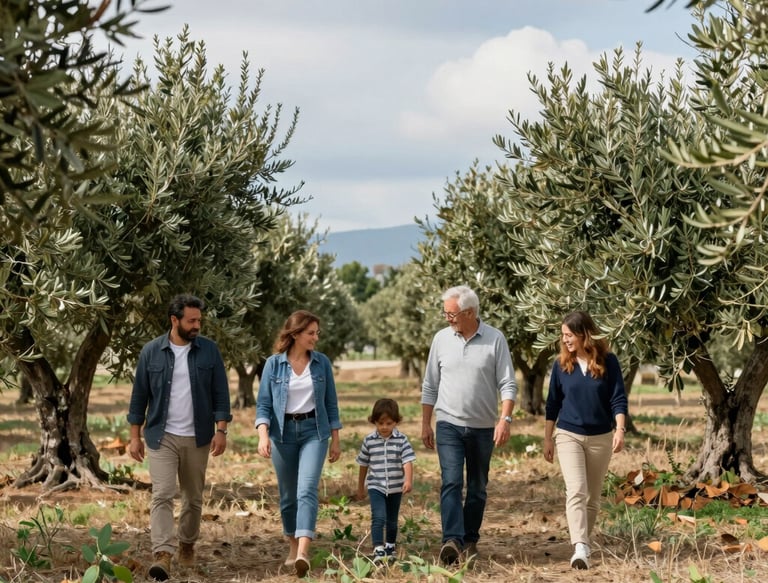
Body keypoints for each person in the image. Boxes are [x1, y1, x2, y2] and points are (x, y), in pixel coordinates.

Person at [127, 294, 232, 581]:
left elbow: (221, 394)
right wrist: (134, 436)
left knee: (193, 498)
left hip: (198, 436)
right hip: (162, 435)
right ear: (175, 320)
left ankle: (187, 542)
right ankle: (163, 553)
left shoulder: (209, 351)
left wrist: (221, 430)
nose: (197, 324)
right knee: (161, 494)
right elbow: (139, 397)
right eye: (192, 320)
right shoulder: (151, 352)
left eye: (199, 319)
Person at [421, 285, 517, 565]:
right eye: (446, 313)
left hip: (483, 427)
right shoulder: (441, 339)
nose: (447, 318)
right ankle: (452, 540)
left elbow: (508, 383)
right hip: (448, 424)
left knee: (477, 487)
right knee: (451, 481)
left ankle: (470, 539)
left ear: (470, 312)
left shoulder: (495, 339)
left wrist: (505, 419)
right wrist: (426, 423)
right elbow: (430, 384)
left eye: (451, 314)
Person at [255, 310, 342, 579]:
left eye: (317, 333)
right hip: (282, 433)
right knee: (288, 495)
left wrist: (335, 439)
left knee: (307, 490)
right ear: (295, 335)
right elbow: (264, 403)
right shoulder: (273, 364)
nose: (316, 337)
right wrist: (262, 433)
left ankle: (304, 550)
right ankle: (292, 545)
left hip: (314, 431)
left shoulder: (322, 363)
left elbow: (331, 402)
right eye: (311, 333)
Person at [543, 311, 628, 570]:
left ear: (583, 334)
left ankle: (585, 543)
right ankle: (579, 546)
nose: (565, 340)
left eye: (569, 335)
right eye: (563, 335)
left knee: (592, 497)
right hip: (568, 434)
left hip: (601, 436)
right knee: (577, 490)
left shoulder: (608, 362)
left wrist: (620, 429)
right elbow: (553, 403)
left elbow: (618, 398)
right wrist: (548, 438)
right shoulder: (560, 365)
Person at [356, 398, 416, 564]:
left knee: (392, 519)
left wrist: (408, 480)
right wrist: (361, 487)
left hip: (396, 486)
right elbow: (363, 464)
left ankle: (390, 546)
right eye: (380, 423)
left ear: (396, 422)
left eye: (389, 423)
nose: (384, 427)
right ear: (374, 421)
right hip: (376, 486)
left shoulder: (402, 440)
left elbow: (407, 461)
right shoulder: (369, 441)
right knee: (378, 517)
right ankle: (378, 548)